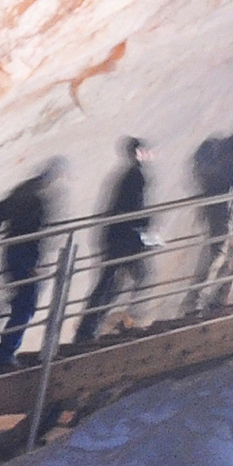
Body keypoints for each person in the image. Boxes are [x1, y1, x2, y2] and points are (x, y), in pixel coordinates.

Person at [0, 163, 59, 367]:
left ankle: (0, 351)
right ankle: (4, 354)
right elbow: (35, 235)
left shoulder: (21, 193)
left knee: (18, 303)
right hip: (23, 256)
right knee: (26, 305)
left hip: (13, 253)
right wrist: (33, 262)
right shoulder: (36, 201)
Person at [184, 113, 233, 317]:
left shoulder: (231, 146)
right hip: (224, 209)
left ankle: (208, 301)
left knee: (222, 255)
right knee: (220, 254)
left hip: (218, 207)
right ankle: (201, 304)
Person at [75, 138, 155, 339]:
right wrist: (144, 233)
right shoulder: (135, 176)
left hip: (117, 237)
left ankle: (89, 328)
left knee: (109, 285)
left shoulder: (126, 176)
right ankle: (122, 323)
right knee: (133, 279)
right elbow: (134, 211)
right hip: (125, 239)